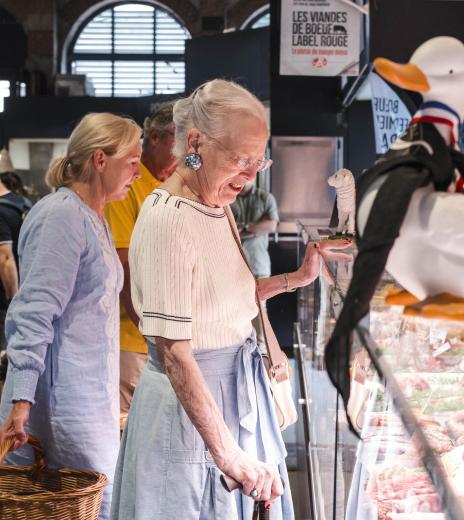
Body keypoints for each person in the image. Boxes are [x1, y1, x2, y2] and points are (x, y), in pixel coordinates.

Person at [111, 79, 350, 520]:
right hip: (192, 416)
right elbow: (176, 350)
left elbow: (224, 299)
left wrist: (298, 277)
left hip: (231, 400)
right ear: (197, 142)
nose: (252, 174)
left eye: (260, 161)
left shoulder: (216, 205)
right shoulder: (168, 219)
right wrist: (228, 456)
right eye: (242, 160)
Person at [0, 113, 142, 520]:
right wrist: (22, 400)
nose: (136, 171)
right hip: (62, 408)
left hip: (87, 402)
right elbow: (33, 313)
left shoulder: (92, 215)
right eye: (130, 161)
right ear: (100, 160)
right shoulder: (60, 216)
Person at [105, 102, 177, 425]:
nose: (185, 151)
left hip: (168, 335)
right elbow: (124, 267)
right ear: (156, 138)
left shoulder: (175, 182)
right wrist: (151, 335)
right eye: (179, 139)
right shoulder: (129, 188)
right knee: (129, 429)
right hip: (134, 340)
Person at [0, 167, 31, 351]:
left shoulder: (1, 210)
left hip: (7, 302)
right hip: (28, 293)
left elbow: (5, 259)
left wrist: (13, 302)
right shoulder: (24, 204)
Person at [231, 176, 279, 279]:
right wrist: (257, 229)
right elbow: (225, 231)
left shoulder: (266, 198)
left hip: (258, 267)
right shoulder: (227, 199)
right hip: (231, 268)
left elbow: (271, 226)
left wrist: (244, 227)